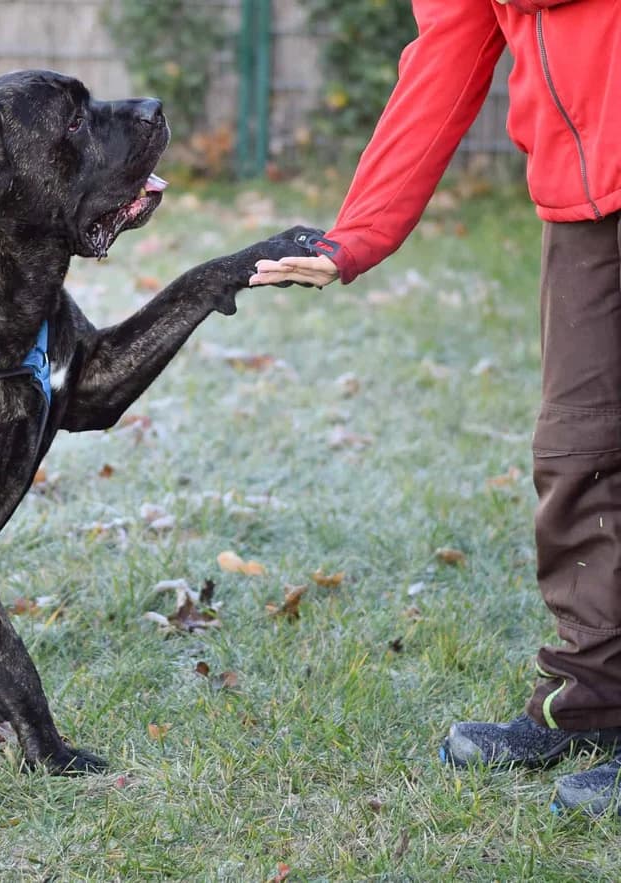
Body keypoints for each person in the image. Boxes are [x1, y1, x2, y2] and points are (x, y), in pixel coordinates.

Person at [250, 0, 621, 815]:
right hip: (584, 199)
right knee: (578, 449)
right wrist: (353, 237)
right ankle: (592, 698)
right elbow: (446, 55)